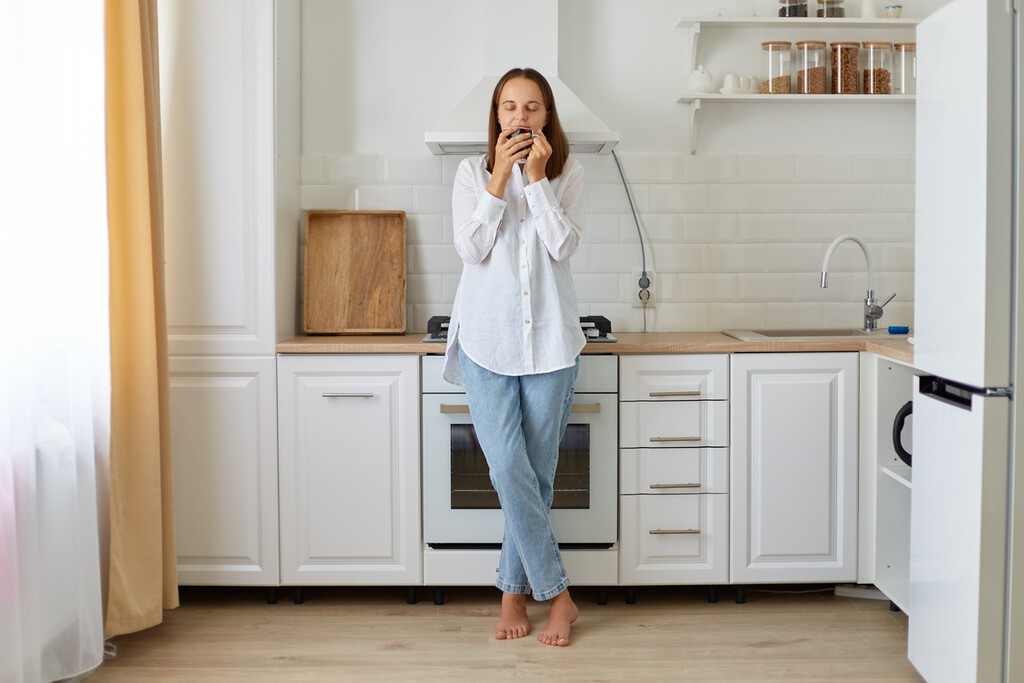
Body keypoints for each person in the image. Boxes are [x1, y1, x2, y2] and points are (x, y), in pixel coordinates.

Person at [442, 67, 585, 647]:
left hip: (550, 343)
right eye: (509, 108)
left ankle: (511, 593)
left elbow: (564, 245)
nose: (520, 118)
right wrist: (500, 180)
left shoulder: (569, 173)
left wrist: (536, 180)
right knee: (507, 468)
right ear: (496, 117)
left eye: (531, 107)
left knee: (536, 475)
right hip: (485, 339)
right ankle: (560, 597)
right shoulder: (468, 175)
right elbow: (470, 250)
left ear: (547, 116)